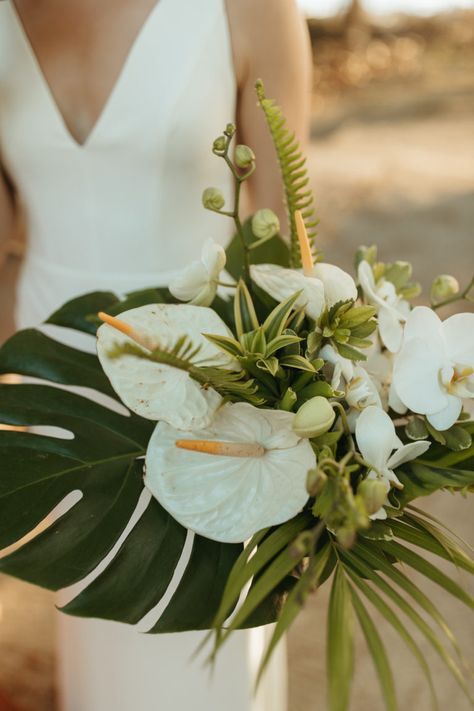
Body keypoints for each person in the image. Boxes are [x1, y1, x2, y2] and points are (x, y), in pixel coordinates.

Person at [0, 1, 312, 709]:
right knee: (101, 653)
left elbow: (290, 234)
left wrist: (303, 425)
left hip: (208, 398)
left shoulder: (249, 9)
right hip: (63, 405)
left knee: (205, 660)